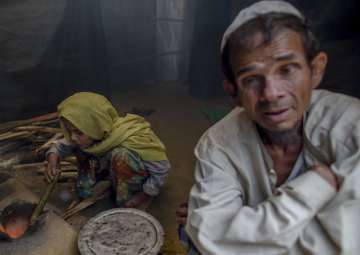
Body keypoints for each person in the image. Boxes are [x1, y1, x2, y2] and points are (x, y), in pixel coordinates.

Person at [182, 1, 360, 254]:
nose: (271, 94)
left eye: (287, 70)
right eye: (252, 79)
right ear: (234, 93)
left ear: (315, 70)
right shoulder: (218, 143)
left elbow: (348, 242)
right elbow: (211, 237)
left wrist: (245, 232)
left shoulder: (351, 122)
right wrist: (317, 185)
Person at [46, 92, 170, 208]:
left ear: (95, 126)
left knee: (122, 156)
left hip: (131, 175)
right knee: (83, 185)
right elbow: (60, 146)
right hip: (103, 166)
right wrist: (53, 160)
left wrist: (147, 192)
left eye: (78, 132)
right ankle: (102, 182)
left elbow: (161, 169)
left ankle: (128, 194)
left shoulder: (133, 136)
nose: (72, 137)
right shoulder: (87, 134)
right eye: (69, 131)